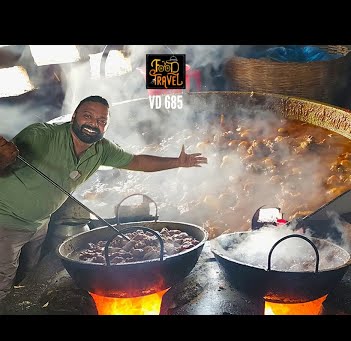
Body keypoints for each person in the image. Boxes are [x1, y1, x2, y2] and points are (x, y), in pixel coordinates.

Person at [0, 95, 207, 303]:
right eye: (87, 116)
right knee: (3, 279)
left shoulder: (102, 150)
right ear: (74, 117)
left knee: (30, 275)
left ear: (106, 126)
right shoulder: (41, 135)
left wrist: (178, 162)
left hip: (39, 223)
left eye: (101, 121)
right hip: (6, 221)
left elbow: (136, 162)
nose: (93, 124)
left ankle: (23, 303)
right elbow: (6, 158)